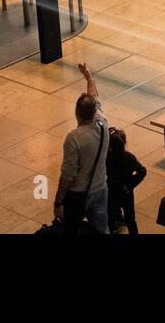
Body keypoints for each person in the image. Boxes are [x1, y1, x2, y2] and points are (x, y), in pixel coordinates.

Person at [54, 63, 108, 233]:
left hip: (78, 194)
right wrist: (89, 77)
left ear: (76, 112)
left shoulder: (74, 138)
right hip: (100, 187)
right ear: (93, 112)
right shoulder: (102, 124)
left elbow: (68, 176)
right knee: (101, 229)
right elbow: (94, 97)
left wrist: (58, 201)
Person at [105, 127, 146, 234]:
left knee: (110, 220)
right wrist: (130, 184)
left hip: (111, 194)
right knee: (131, 220)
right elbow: (142, 171)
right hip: (126, 193)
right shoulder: (128, 157)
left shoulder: (106, 160)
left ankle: (115, 224)